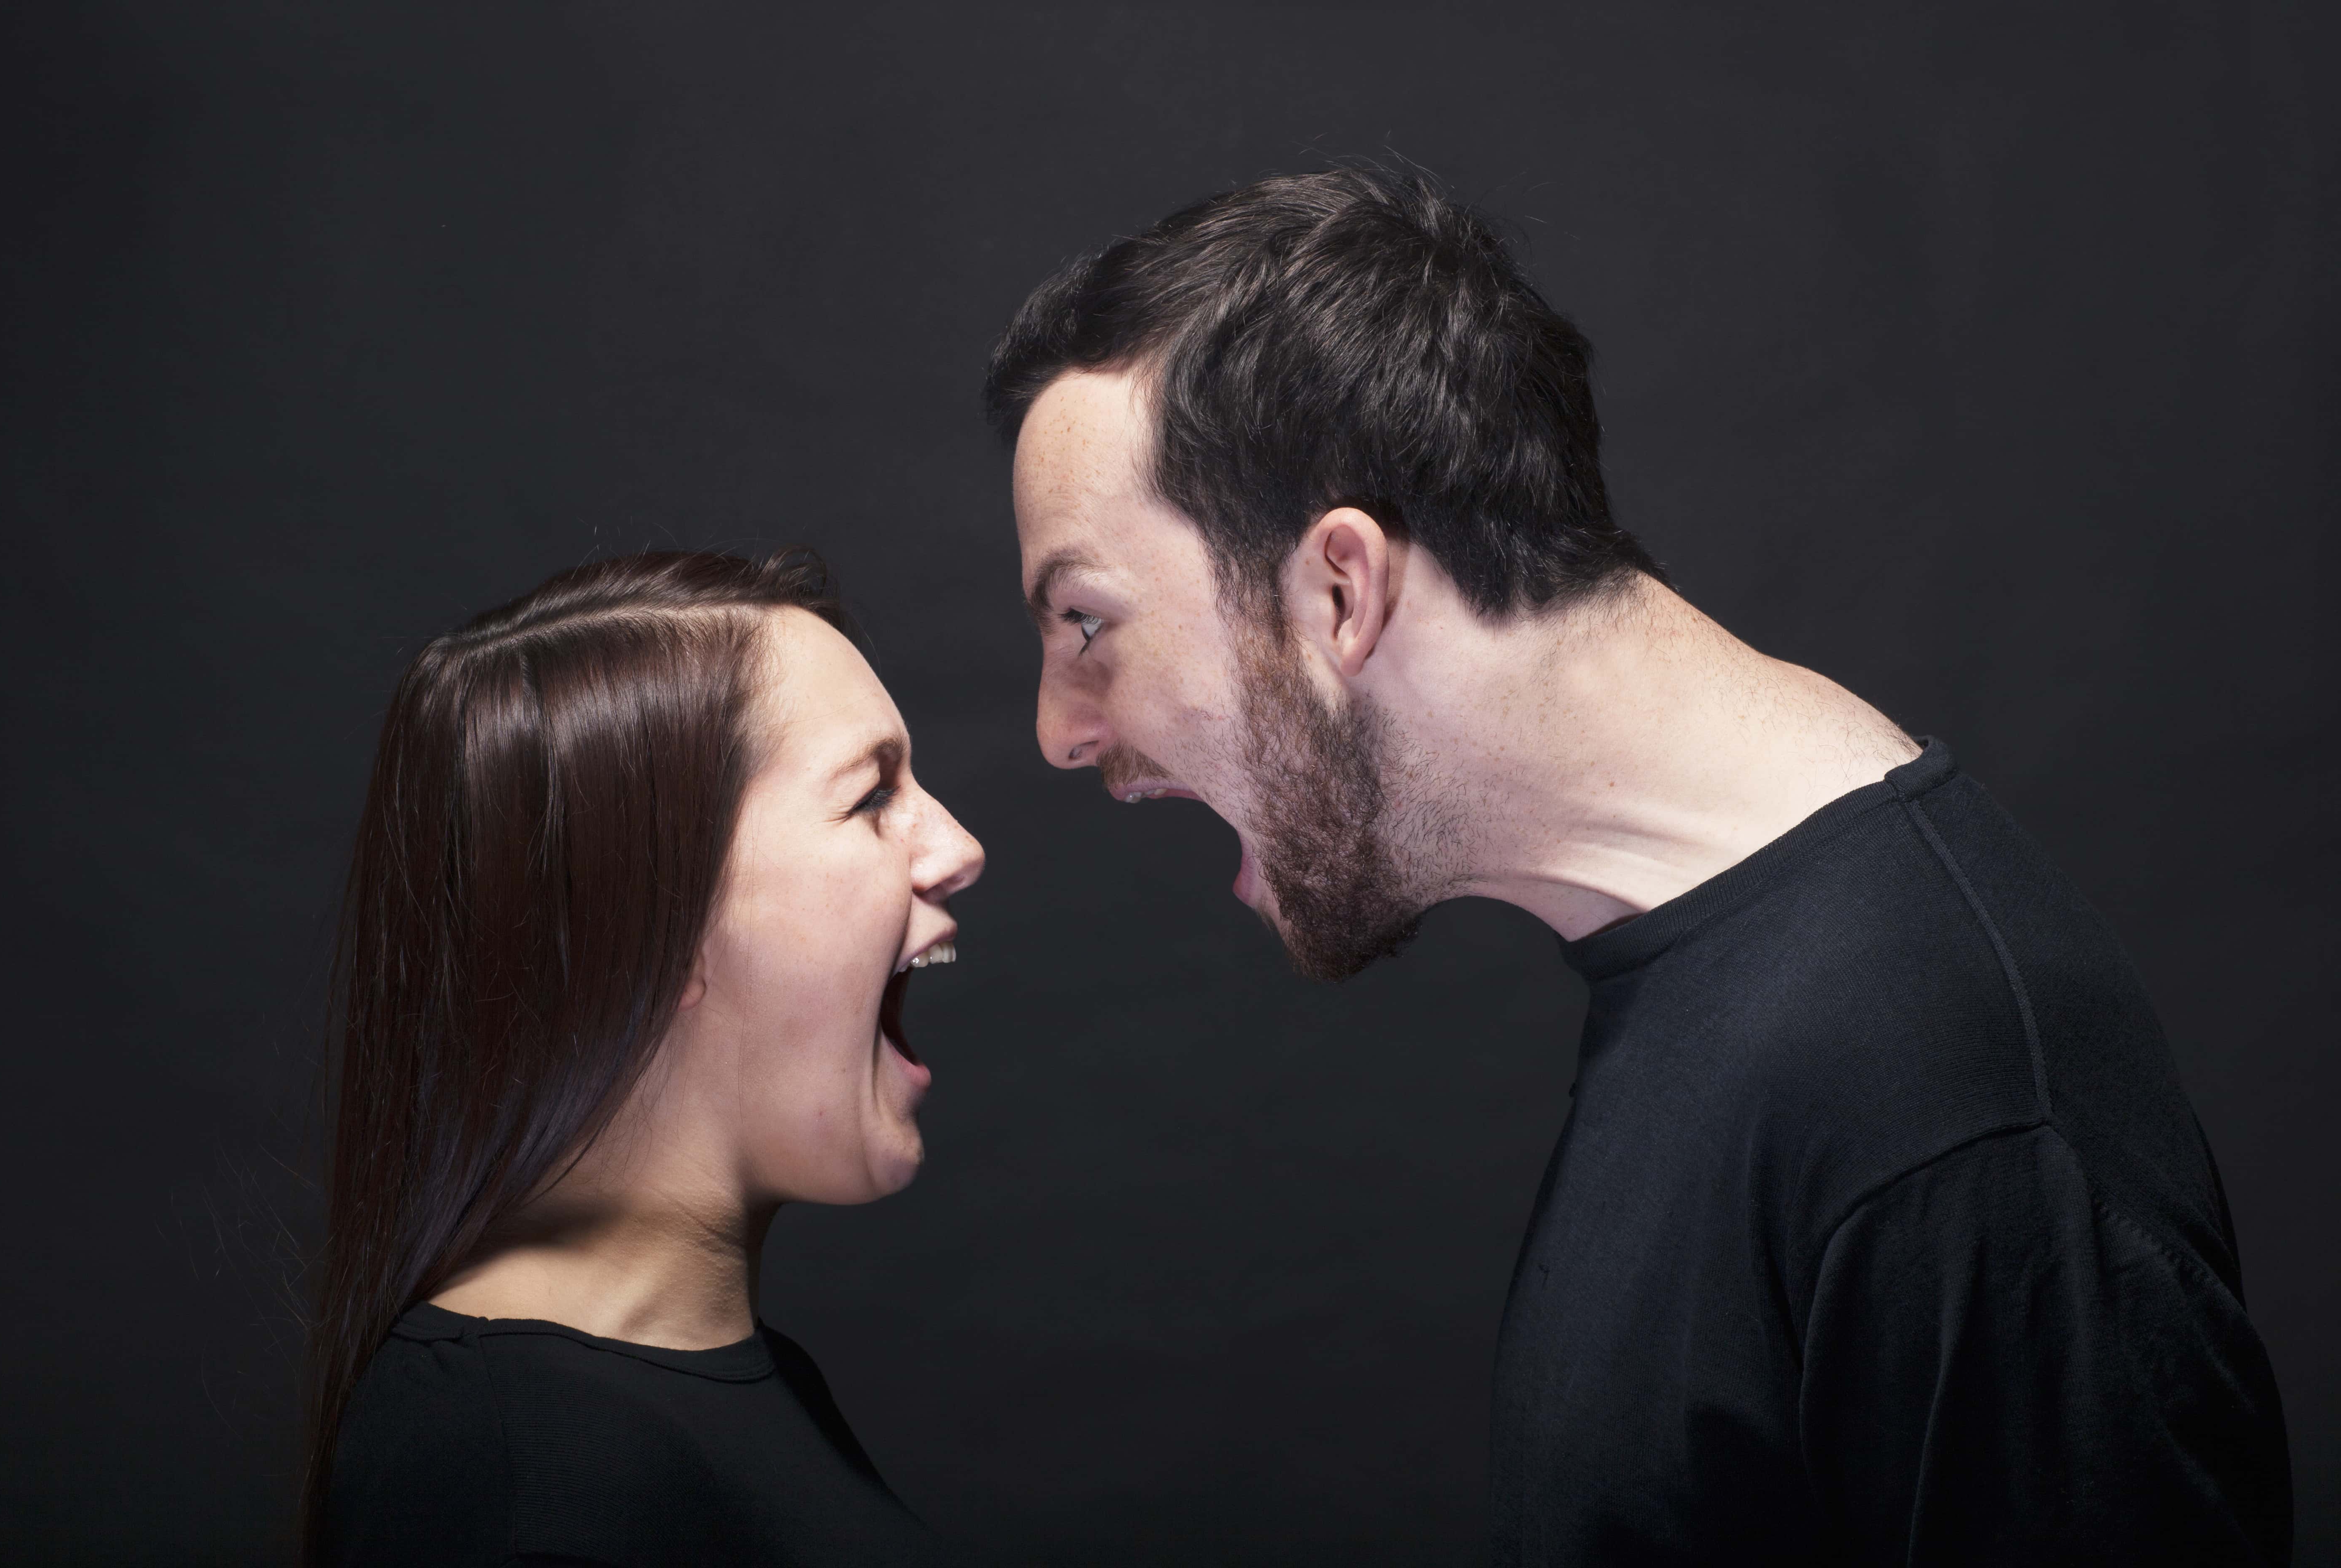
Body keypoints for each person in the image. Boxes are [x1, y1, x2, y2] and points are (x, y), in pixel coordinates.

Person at [986, 169, 2292, 1563]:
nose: (1061, 733)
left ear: (1337, 591)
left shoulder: (1939, 1088)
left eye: (1083, 622)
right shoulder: (1717, 978)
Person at [305, 550, 982, 1568]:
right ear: (644, 928)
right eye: (871, 796)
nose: (958, 845)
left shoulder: (723, 1388)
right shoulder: (516, 1480)